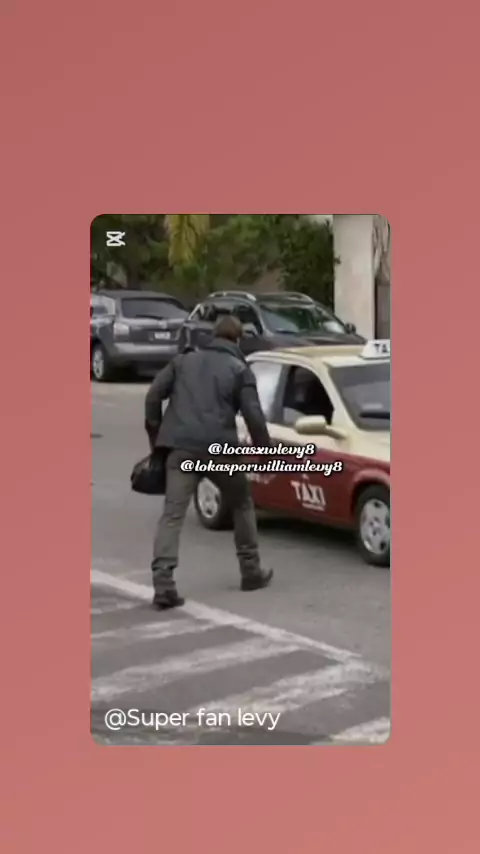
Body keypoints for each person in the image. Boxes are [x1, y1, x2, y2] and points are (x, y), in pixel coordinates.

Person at [144, 315, 274, 610]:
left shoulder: (182, 361)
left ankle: (163, 584)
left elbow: (152, 397)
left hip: (180, 449)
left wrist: (157, 438)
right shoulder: (240, 370)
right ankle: (250, 571)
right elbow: (254, 416)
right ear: (237, 339)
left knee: (172, 514)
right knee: (242, 503)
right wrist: (265, 455)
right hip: (220, 450)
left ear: (213, 336)